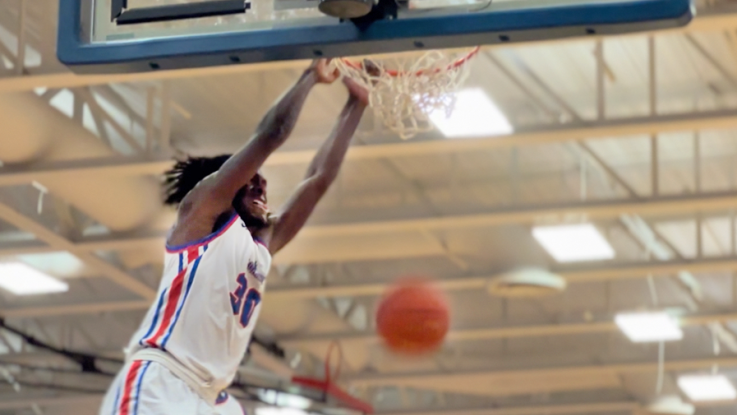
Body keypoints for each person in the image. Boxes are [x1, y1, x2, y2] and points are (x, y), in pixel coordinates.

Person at [99, 59, 369, 415]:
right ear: (225, 185)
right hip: (162, 381)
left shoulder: (261, 246)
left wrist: (358, 102)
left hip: (213, 400)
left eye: (262, 180)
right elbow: (270, 135)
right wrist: (310, 77)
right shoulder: (199, 217)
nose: (262, 183)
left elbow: (318, 179)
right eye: (251, 179)